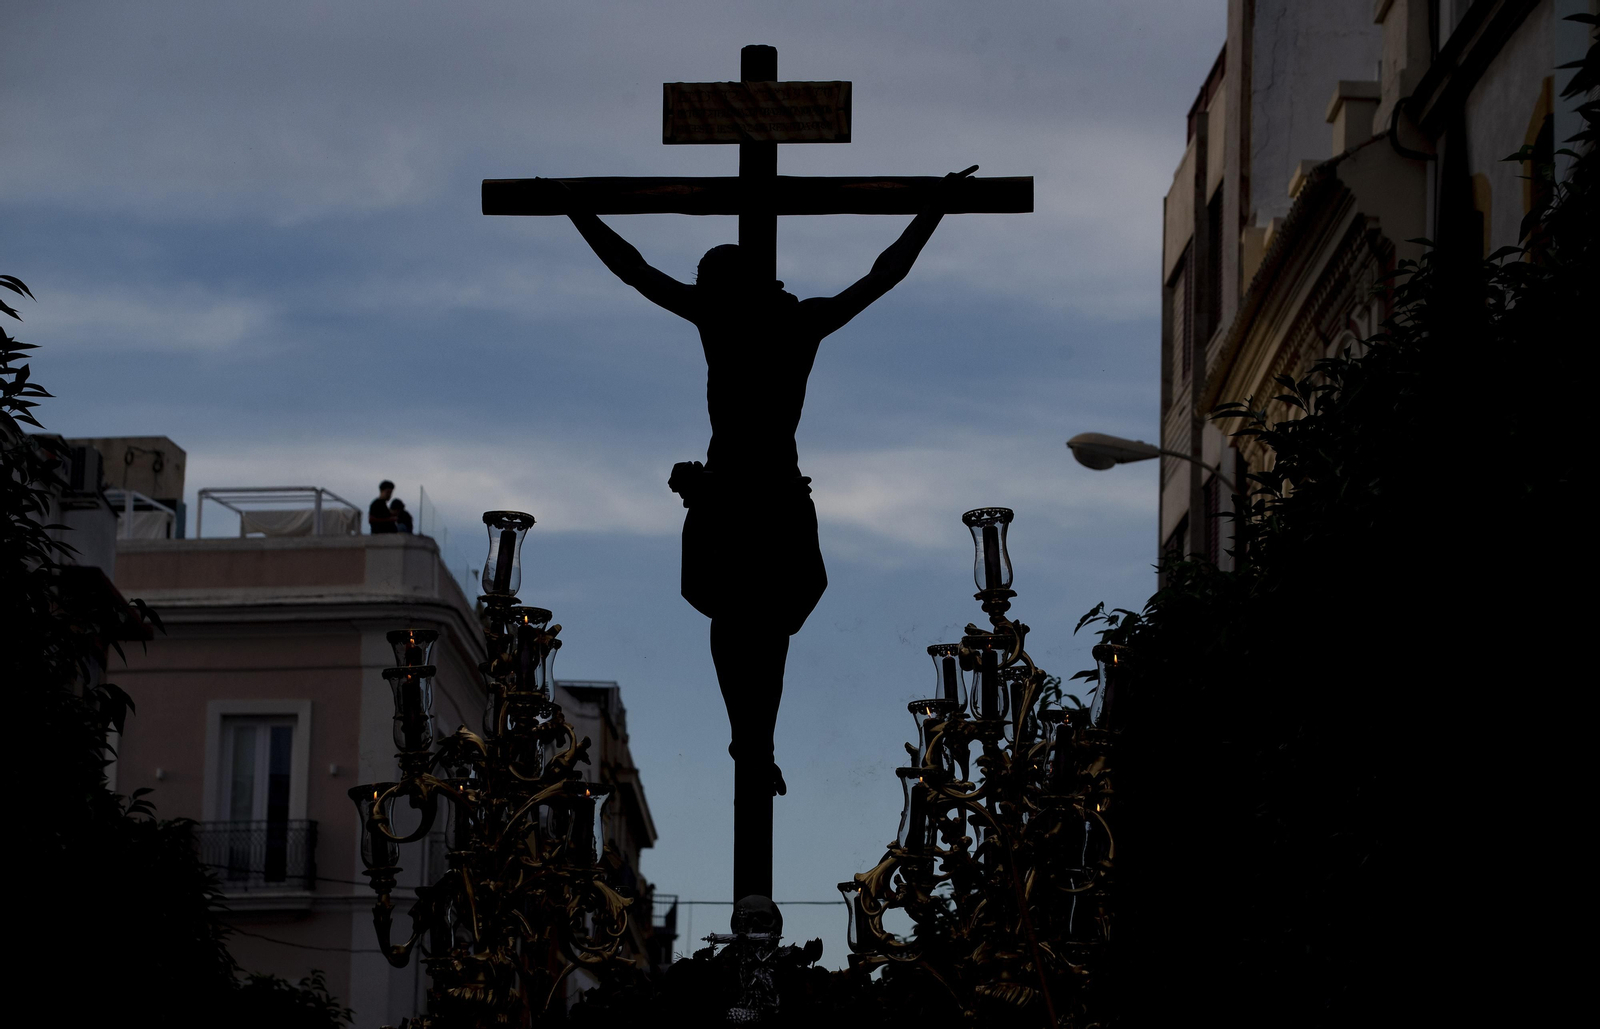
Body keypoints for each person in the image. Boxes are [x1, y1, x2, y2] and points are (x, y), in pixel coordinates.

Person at [558, 168, 975, 805]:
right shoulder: (775, 320)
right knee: (751, 622)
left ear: (731, 283)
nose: (701, 291)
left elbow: (635, 269)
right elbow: (882, 274)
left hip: (753, 494)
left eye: (709, 281)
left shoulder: (736, 318)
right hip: (750, 493)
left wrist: (578, 212)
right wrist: (934, 208)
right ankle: (753, 745)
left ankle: (754, 744)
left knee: (754, 622)